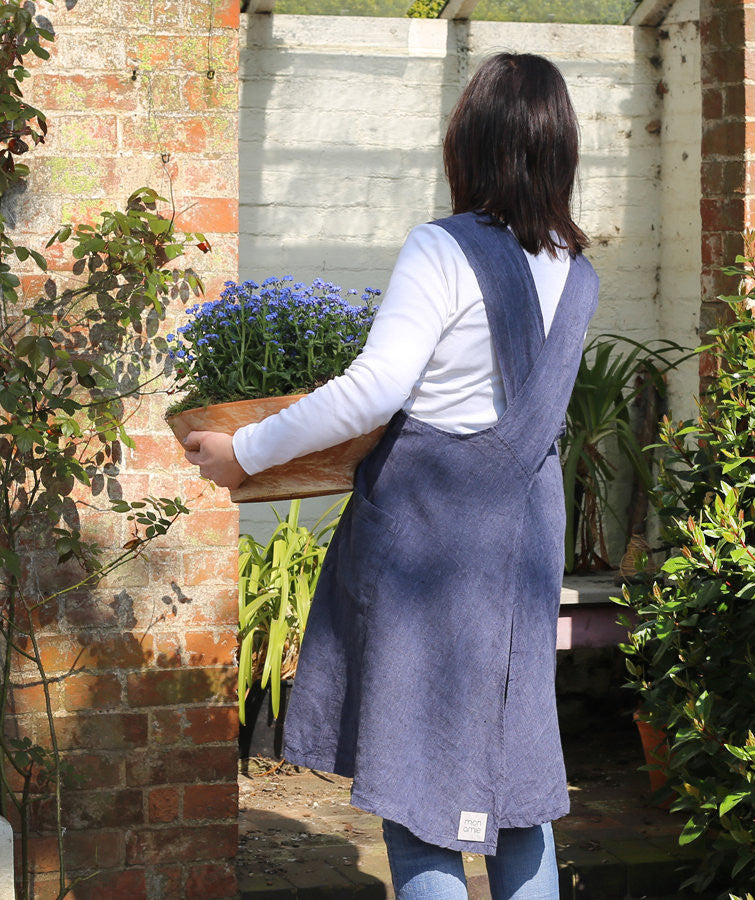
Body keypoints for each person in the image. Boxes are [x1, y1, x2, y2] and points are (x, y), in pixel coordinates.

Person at [183, 52, 598, 900]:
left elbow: (373, 390)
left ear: (469, 142)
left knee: (420, 803)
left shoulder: (443, 249)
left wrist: (246, 450)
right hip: (521, 549)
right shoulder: (579, 274)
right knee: (516, 801)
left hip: (431, 548)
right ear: (560, 149)